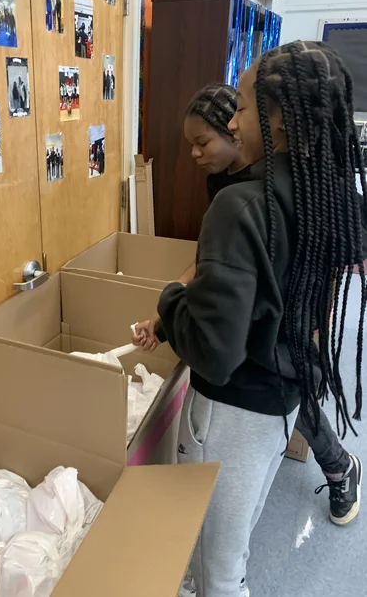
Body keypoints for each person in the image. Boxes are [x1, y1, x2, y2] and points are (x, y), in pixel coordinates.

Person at [133, 43, 367, 597]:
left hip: (233, 410)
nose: (235, 121)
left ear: (278, 115)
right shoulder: (327, 195)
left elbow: (214, 350)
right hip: (282, 401)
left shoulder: (241, 206)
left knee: (220, 573)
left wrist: (171, 303)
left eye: (239, 106)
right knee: (231, 541)